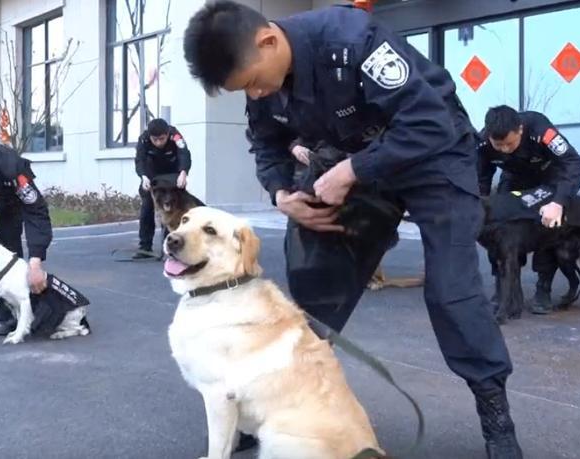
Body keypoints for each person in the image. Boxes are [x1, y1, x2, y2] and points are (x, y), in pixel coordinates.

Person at [183, 2, 523, 457]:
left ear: (267, 40)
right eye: (245, 91)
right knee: (311, 274)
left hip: (435, 157)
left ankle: (495, 415)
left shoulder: (351, 40)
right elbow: (267, 145)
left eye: (251, 83)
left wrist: (351, 171)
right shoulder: (264, 84)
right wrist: (282, 195)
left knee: (451, 289)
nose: (257, 94)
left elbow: (427, 122)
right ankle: (281, 397)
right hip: (358, 165)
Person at [478, 105, 580, 314]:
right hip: (514, 180)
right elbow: (481, 177)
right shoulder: (483, 141)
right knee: (495, 227)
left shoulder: (540, 130)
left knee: (546, 229)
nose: (503, 149)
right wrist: (480, 207)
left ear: (520, 129)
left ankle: (543, 287)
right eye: (498, 145)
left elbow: (575, 165)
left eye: (509, 144)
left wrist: (559, 202)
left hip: (548, 178)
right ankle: (506, 289)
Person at [0, 143, 52, 335]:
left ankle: (7, 308)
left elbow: (36, 212)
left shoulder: (14, 173)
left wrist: (35, 263)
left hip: (9, 199)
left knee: (9, 243)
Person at [134, 118, 191, 259]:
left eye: (162, 139)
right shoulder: (144, 139)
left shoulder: (175, 135)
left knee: (172, 208)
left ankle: (170, 246)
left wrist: (183, 172)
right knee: (147, 205)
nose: (159, 143)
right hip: (152, 175)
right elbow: (139, 160)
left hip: (172, 174)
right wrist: (143, 177)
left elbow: (184, 153)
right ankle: (145, 246)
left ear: (167, 134)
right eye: (155, 140)